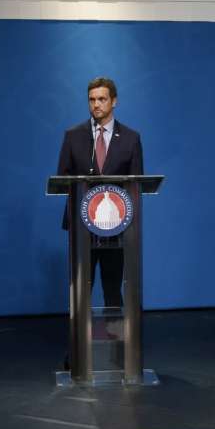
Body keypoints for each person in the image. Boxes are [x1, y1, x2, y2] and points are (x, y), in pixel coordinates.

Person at [56, 76, 144, 310]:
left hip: (115, 227)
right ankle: (79, 345)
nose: (96, 104)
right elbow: (63, 178)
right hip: (81, 226)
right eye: (92, 100)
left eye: (102, 99)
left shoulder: (130, 138)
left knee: (113, 287)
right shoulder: (73, 136)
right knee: (80, 289)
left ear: (113, 101)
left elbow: (137, 184)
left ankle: (115, 340)